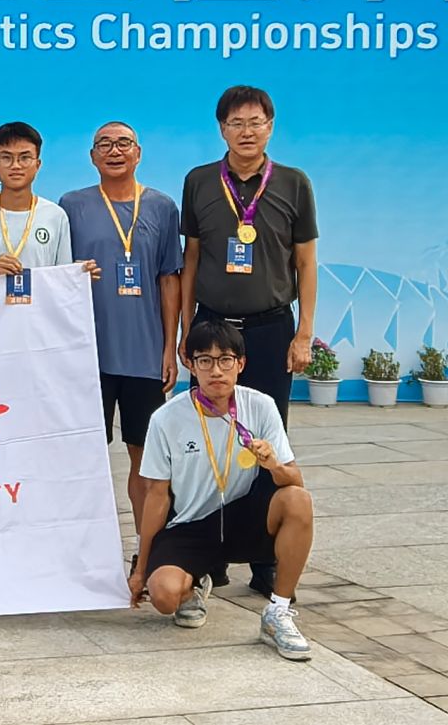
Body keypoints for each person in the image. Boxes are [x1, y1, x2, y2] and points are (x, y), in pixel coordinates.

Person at [177, 84, 319, 595]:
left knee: (267, 441)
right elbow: (192, 259)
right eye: (236, 123)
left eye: (255, 122)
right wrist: (187, 330)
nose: (246, 131)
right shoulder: (199, 181)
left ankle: (263, 561)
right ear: (221, 129)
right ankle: (210, 554)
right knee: (208, 440)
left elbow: (305, 263)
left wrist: (303, 333)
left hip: (269, 329)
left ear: (270, 126)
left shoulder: (294, 183)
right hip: (213, 328)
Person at [128, 321, 315, 660]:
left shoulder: (260, 405)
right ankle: (193, 586)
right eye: (205, 360)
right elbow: (156, 496)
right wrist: (142, 569)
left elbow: (295, 479)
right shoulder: (166, 419)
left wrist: (273, 464)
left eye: (225, 360)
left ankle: (278, 612)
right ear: (190, 364)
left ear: (240, 364)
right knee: (163, 595)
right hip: (191, 525)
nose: (216, 371)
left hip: (243, 515)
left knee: (297, 500)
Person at [59, 122, 183, 539]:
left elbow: (169, 278)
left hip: (144, 354)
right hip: (87, 355)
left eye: (124, 143)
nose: (115, 151)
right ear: (92, 156)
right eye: (105, 144)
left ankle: (146, 553)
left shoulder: (162, 207)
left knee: (146, 462)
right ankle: (84, 549)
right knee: (83, 458)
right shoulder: (71, 206)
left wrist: (169, 347)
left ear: (138, 153)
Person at [0, 122, 95, 280]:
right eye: (6, 158)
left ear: (37, 164)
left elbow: (61, 277)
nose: (15, 165)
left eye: (25, 158)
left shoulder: (55, 216)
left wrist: (79, 273)